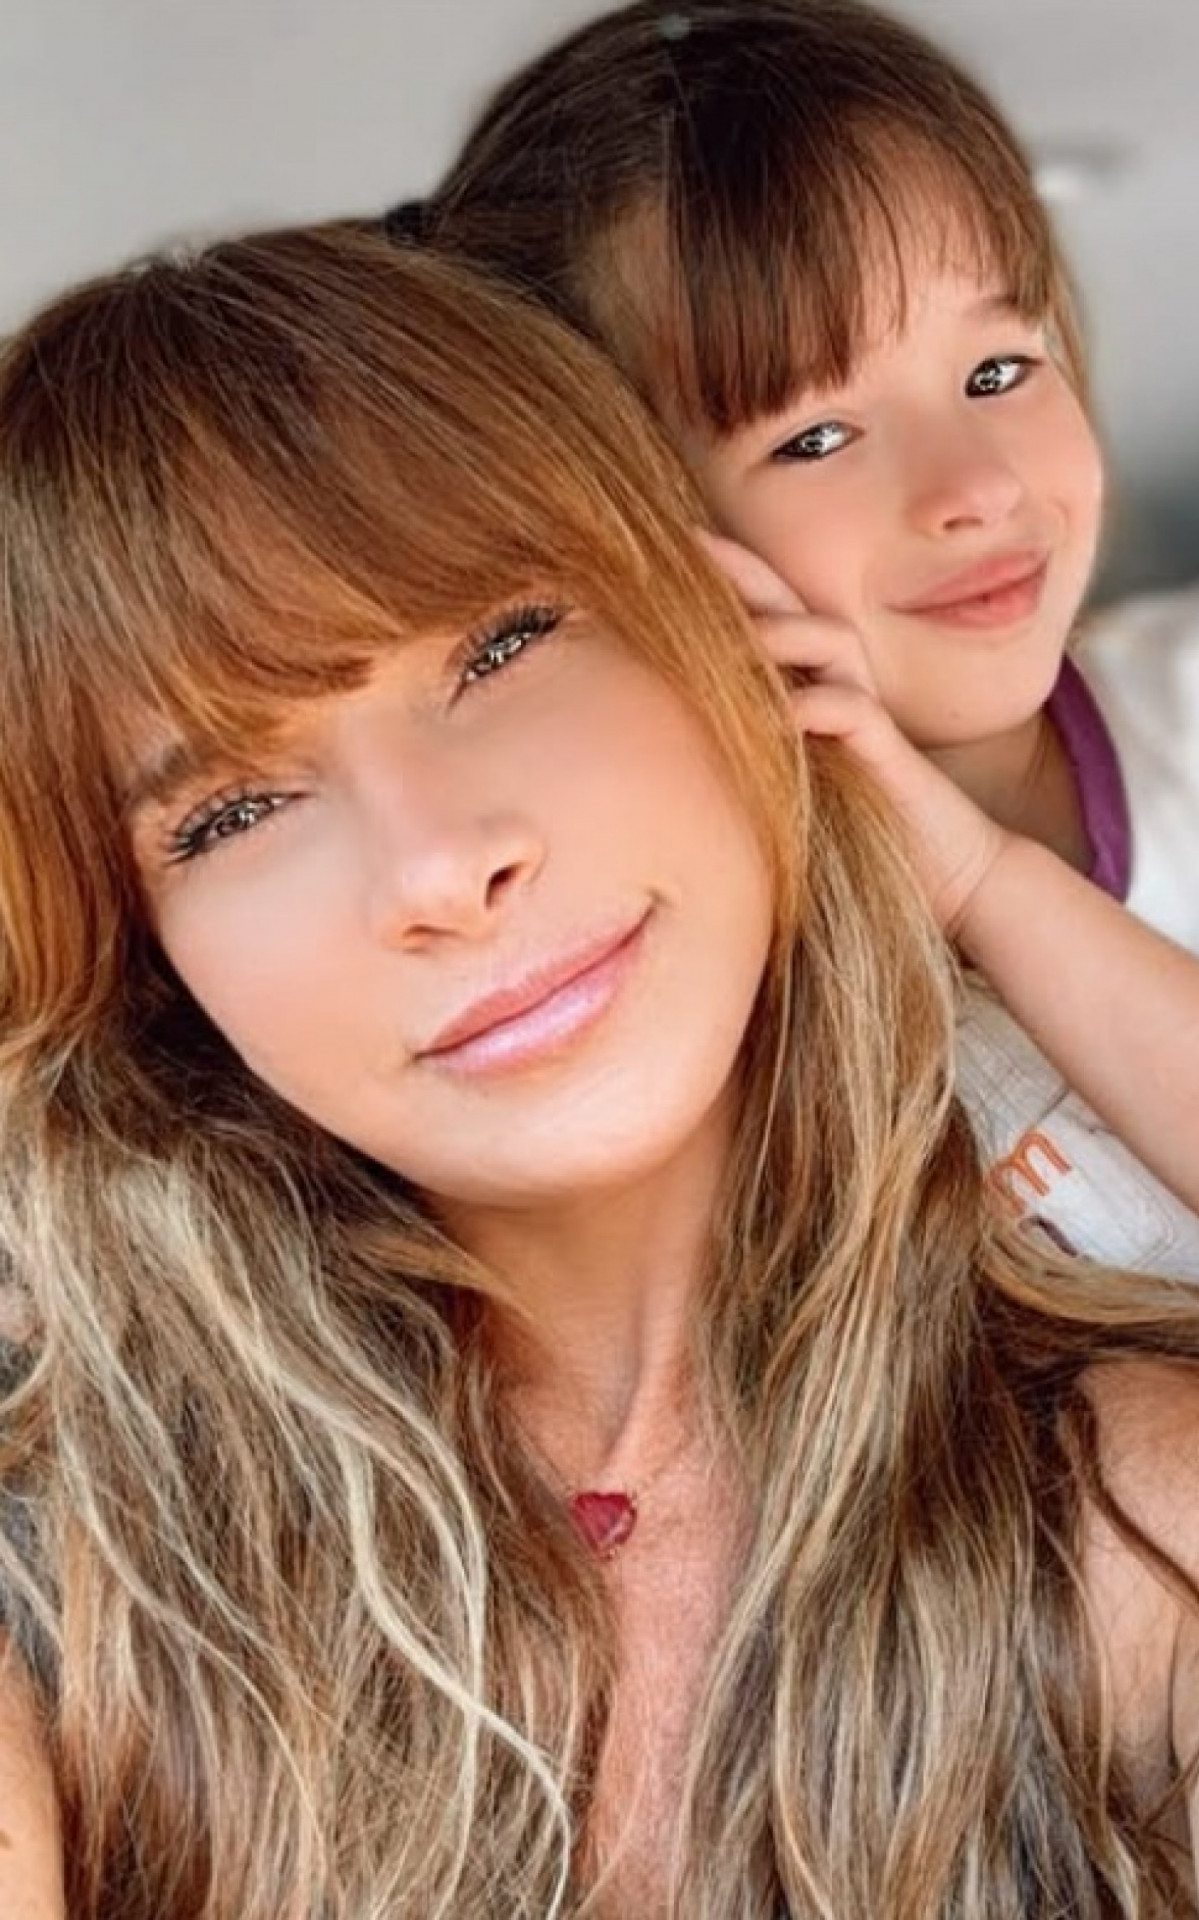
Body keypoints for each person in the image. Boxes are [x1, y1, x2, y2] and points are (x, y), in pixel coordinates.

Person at [3, 221, 1199, 1920]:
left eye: (498, 648)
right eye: (231, 811)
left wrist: (955, 864)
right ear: (149, 971)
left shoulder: (1141, 1500)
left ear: (730, 635)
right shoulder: (74, 1599)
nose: (437, 865)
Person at [411, 0, 1199, 1256]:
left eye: (997, 371)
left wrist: (981, 884)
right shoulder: (662, 991)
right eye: (814, 439)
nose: (973, 487)